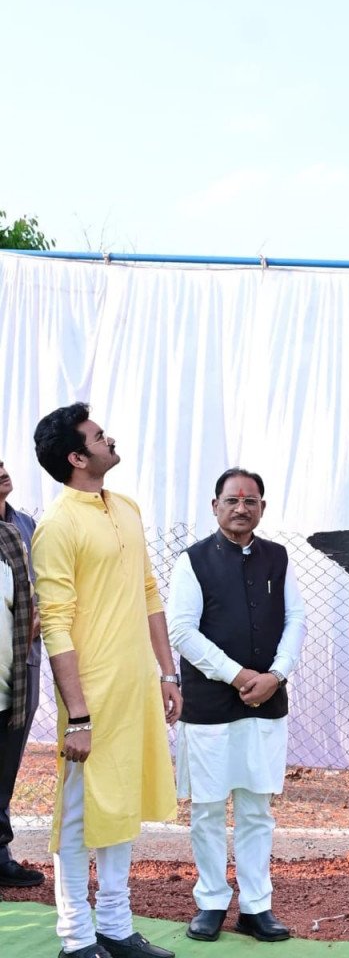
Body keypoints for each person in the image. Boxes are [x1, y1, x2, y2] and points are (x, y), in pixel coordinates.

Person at [31, 404, 179, 958]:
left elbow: (148, 593)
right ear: (77, 457)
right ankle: (76, 938)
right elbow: (55, 624)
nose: (108, 438)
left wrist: (168, 673)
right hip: (90, 695)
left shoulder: (126, 508)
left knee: (122, 806)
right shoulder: (58, 525)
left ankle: (116, 929)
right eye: (97, 436)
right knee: (77, 816)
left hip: (136, 688)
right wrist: (79, 716)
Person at [166, 468, 306, 943]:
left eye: (250, 501)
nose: (241, 508)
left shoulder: (277, 558)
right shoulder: (192, 561)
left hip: (266, 703)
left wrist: (275, 675)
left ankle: (256, 906)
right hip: (209, 706)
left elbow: (295, 619)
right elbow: (182, 630)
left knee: (256, 808)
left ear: (262, 507)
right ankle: (210, 901)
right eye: (232, 500)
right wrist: (239, 675)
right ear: (215, 506)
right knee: (207, 808)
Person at [0, 458, 46, 888]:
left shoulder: (26, 525)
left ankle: (0, 854)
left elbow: (45, 583)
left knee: (6, 763)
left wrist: (40, 615)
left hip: (19, 666)